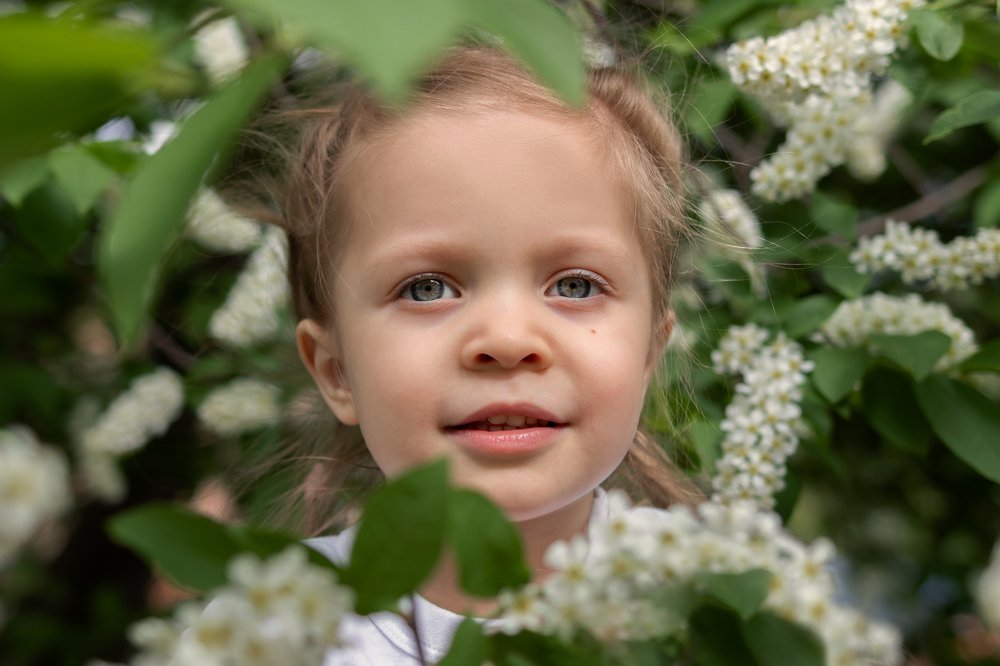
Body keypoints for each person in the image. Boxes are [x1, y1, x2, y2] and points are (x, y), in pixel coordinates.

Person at [239, 43, 699, 664]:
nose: (507, 342)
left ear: (649, 352)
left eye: (575, 285)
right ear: (336, 371)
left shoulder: (714, 614)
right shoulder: (269, 633)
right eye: (427, 289)